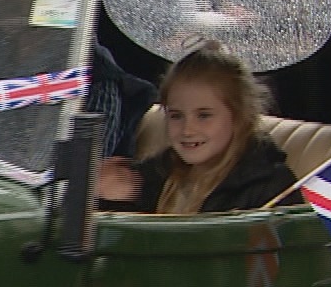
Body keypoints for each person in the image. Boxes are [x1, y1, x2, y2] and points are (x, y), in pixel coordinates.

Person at [95, 41, 299, 214]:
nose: (187, 130)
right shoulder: (158, 175)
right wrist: (112, 194)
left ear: (239, 116)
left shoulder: (269, 187)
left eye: (204, 115)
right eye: (176, 116)